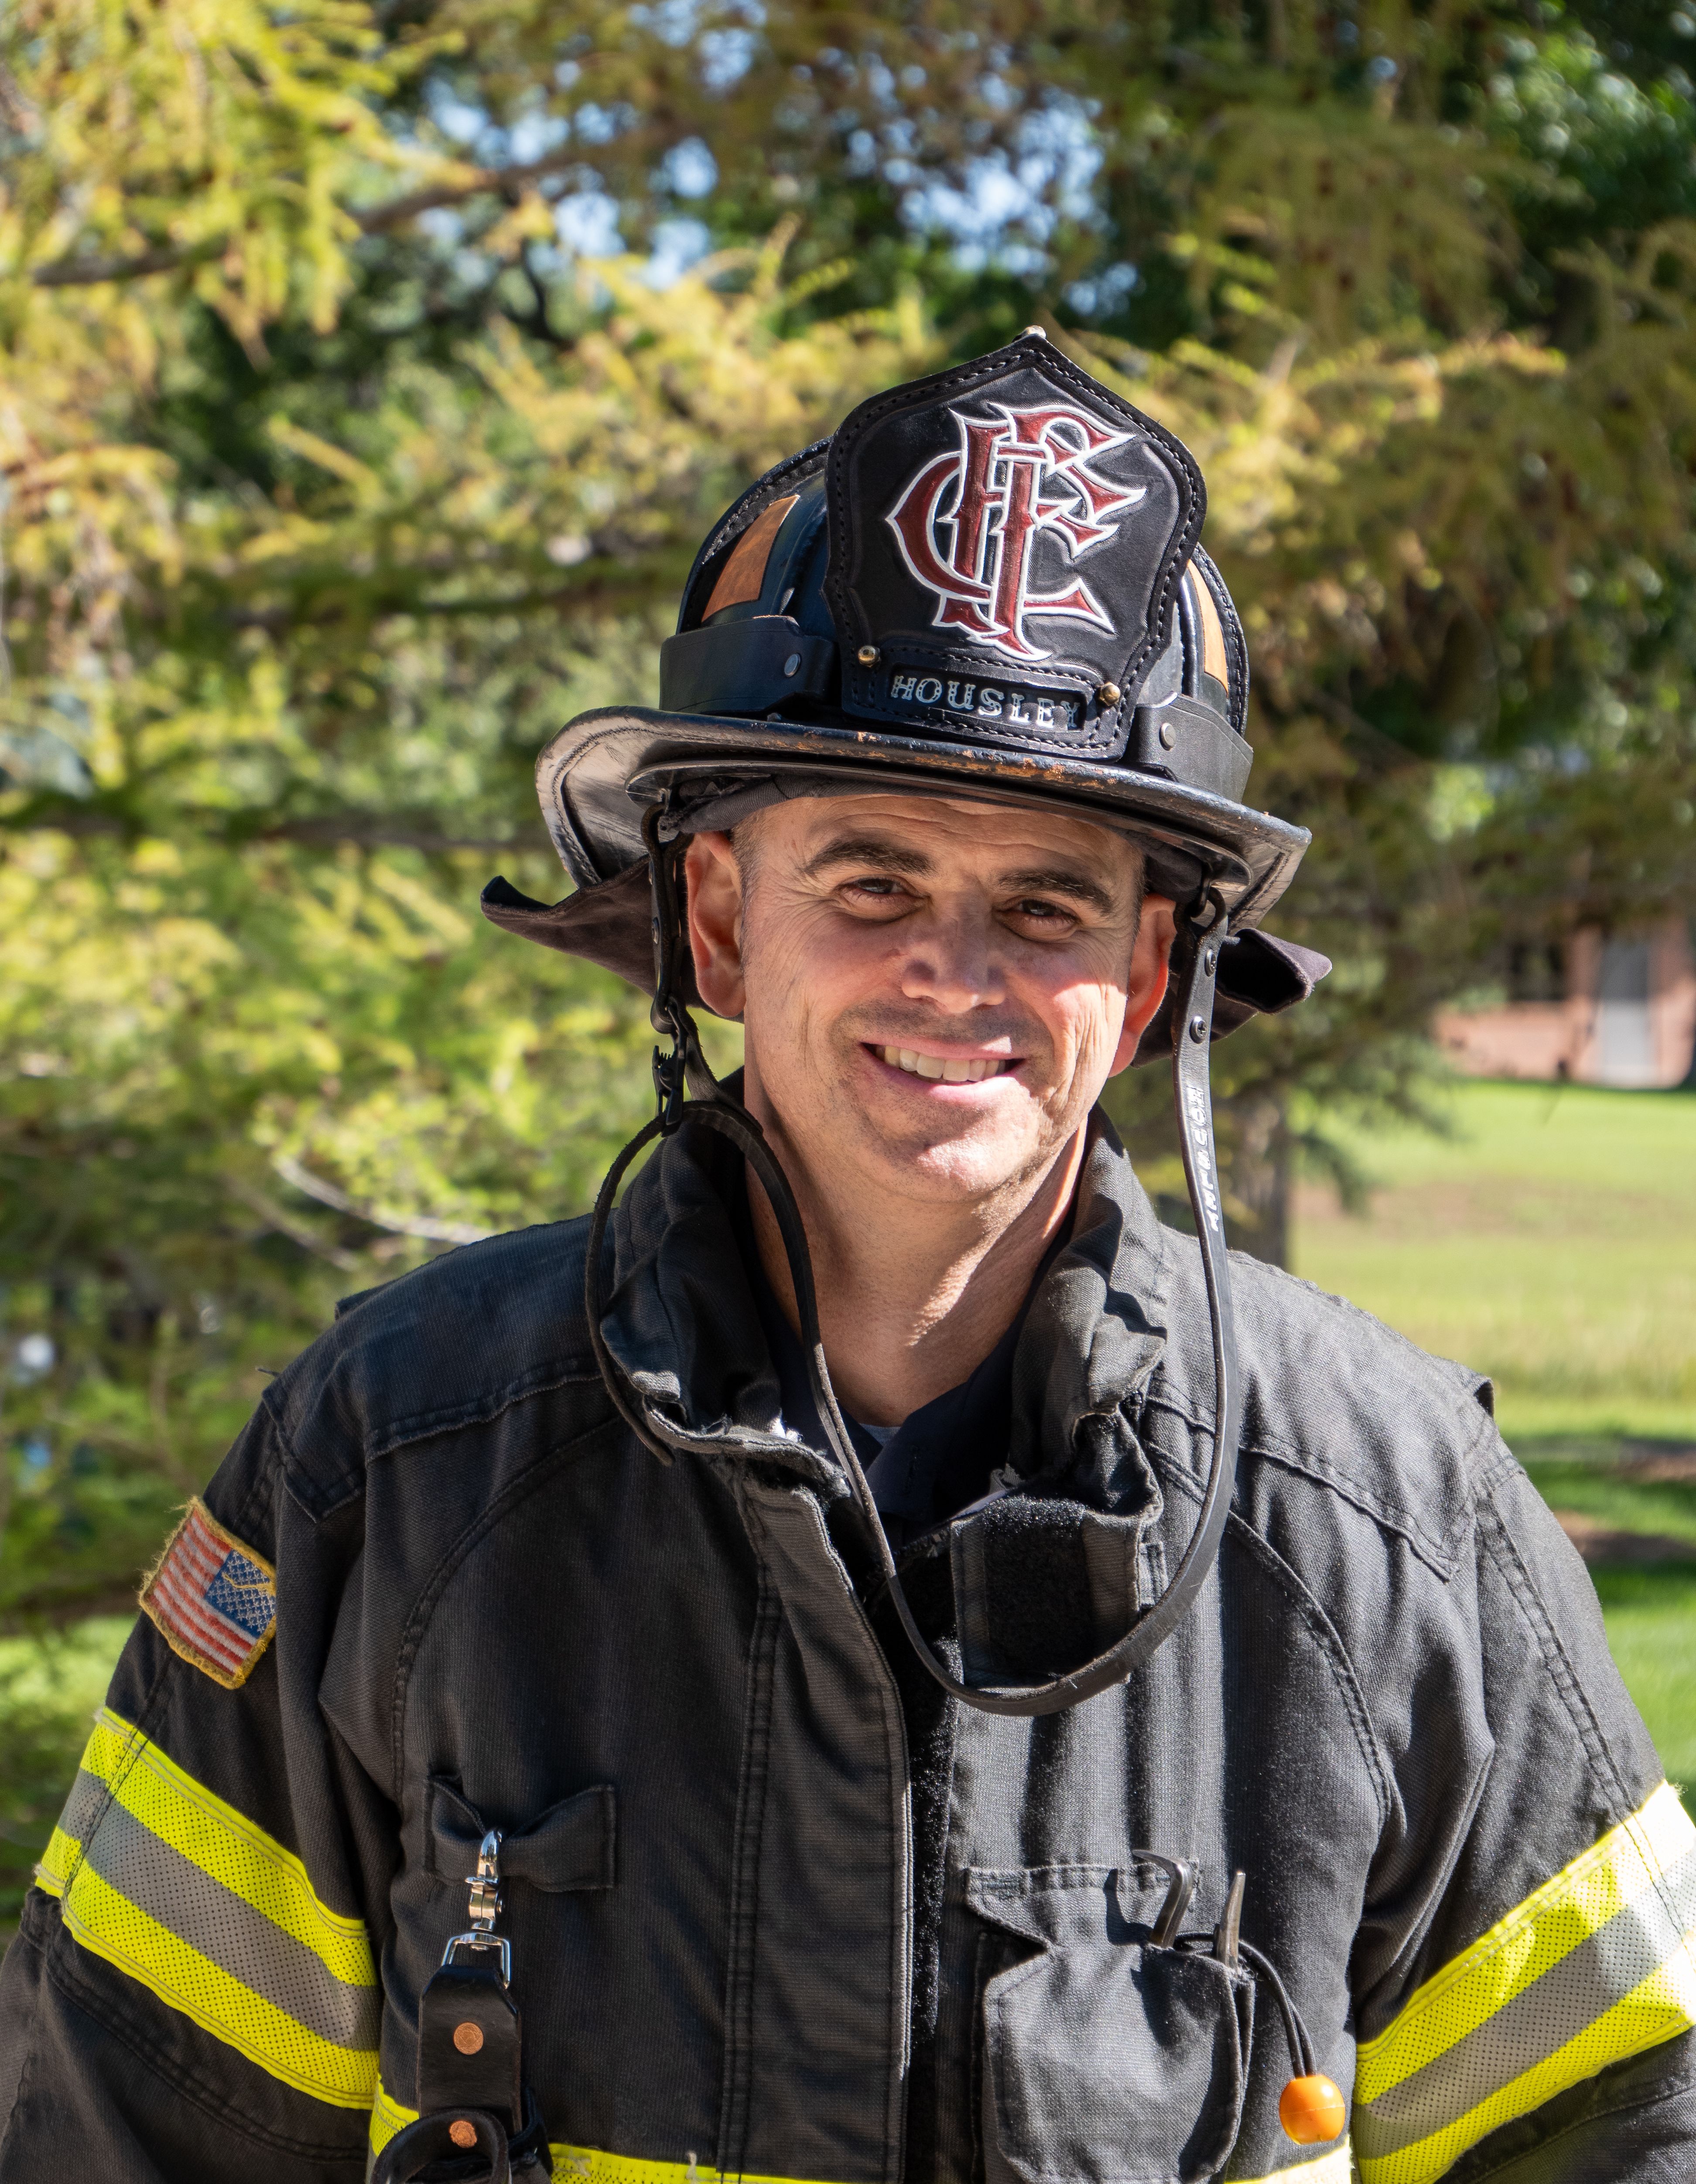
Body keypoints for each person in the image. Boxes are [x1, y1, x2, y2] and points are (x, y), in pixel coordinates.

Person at [2, 333, 1693, 2184]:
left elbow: (1630, 2135)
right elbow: (123, 2139)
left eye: (1046, 903)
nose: (955, 976)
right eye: (872, 882)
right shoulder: (391, 1472)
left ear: (1144, 983)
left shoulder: (1391, 1527)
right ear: (723, 923)